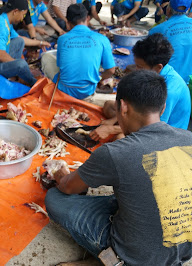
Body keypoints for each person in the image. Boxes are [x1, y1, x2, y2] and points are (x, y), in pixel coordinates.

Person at [45, 70, 192, 265]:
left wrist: (61, 175)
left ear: (122, 107)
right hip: (183, 252)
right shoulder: (188, 138)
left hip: (140, 257)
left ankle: (115, 259)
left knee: (54, 198)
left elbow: (68, 187)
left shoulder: (115, 152)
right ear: (163, 108)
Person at [90, 33, 191, 142]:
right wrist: (114, 120)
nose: (136, 70)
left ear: (158, 67)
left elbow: (154, 128)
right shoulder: (157, 72)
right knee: (109, 106)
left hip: (166, 136)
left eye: (140, 67)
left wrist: (111, 129)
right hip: (147, 117)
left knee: (120, 138)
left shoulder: (170, 90)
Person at [41, 4, 115, 106]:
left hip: (65, 92)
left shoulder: (62, 39)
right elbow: (111, 70)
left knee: (45, 57)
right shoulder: (102, 39)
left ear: (67, 23)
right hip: (87, 92)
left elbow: (60, 66)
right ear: (88, 19)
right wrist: (99, 80)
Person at [0, 0, 51, 87]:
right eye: (23, 14)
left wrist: (40, 42)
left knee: (19, 42)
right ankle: (34, 83)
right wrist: (18, 64)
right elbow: (0, 56)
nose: (23, 18)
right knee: (21, 64)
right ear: (15, 11)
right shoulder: (1, 26)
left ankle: (15, 74)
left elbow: (20, 38)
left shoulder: (5, 20)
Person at [150, 0, 192, 83]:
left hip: (168, 82)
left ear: (168, 9)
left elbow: (149, 58)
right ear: (188, 9)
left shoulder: (157, 30)